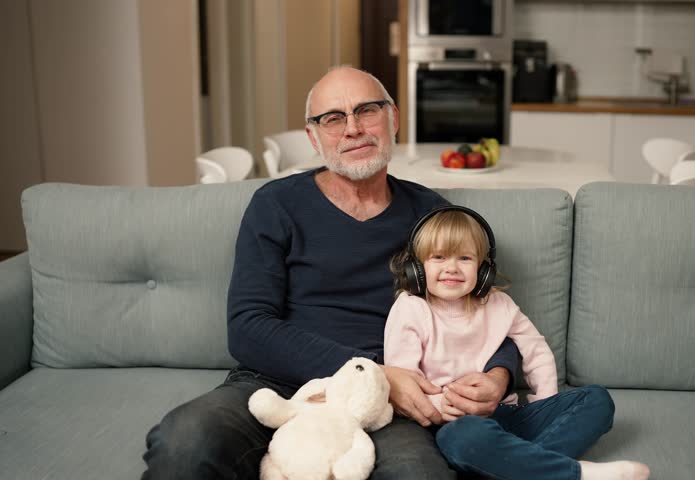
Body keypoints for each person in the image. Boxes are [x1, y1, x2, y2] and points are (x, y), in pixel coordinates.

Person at [141, 66, 521, 479]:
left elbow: (487, 314)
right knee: (183, 442)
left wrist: (499, 375)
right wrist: (372, 372)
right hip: (279, 381)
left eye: (367, 111)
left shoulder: (431, 215)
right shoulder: (276, 205)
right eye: (333, 118)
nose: (353, 128)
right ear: (313, 136)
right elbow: (248, 326)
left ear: (393, 119)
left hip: (392, 402)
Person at [385, 206, 651, 480]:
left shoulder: (499, 304)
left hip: (506, 414)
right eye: (438, 257)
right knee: (465, 437)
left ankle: (516, 466)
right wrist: (441, 405)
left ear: (483, 269)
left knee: (596, 399)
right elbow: (406, 378)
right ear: (416, 268)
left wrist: (545, 401)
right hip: (450, 422)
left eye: (464, 258)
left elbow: (536, 350)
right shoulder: (410, 308)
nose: (451, 267)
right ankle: (573, 473)